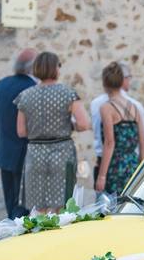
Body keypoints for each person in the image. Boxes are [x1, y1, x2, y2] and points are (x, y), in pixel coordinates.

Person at [14, 52, 90, 214]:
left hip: (35, 153)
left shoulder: (25, 96)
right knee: (62, 204)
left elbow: (21, 131)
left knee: (39, 207)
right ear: (56, 68)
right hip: (62, 152)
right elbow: (84, 124)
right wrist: (69, 125)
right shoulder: (68, 94)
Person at [0, 48, 37, 218]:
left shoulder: (1, 85)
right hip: (26, 156)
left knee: (10, 206)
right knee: (22, 211)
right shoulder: (33, 89)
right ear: (33, 67)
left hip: (5, 154)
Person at [89, 61, 144, 186]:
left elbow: (109, 143)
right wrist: (143, 171)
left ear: (104, 83)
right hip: (133, 166)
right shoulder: (135, 107)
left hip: (114, 166)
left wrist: (101, 176)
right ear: (122, 81)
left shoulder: (105, 107)